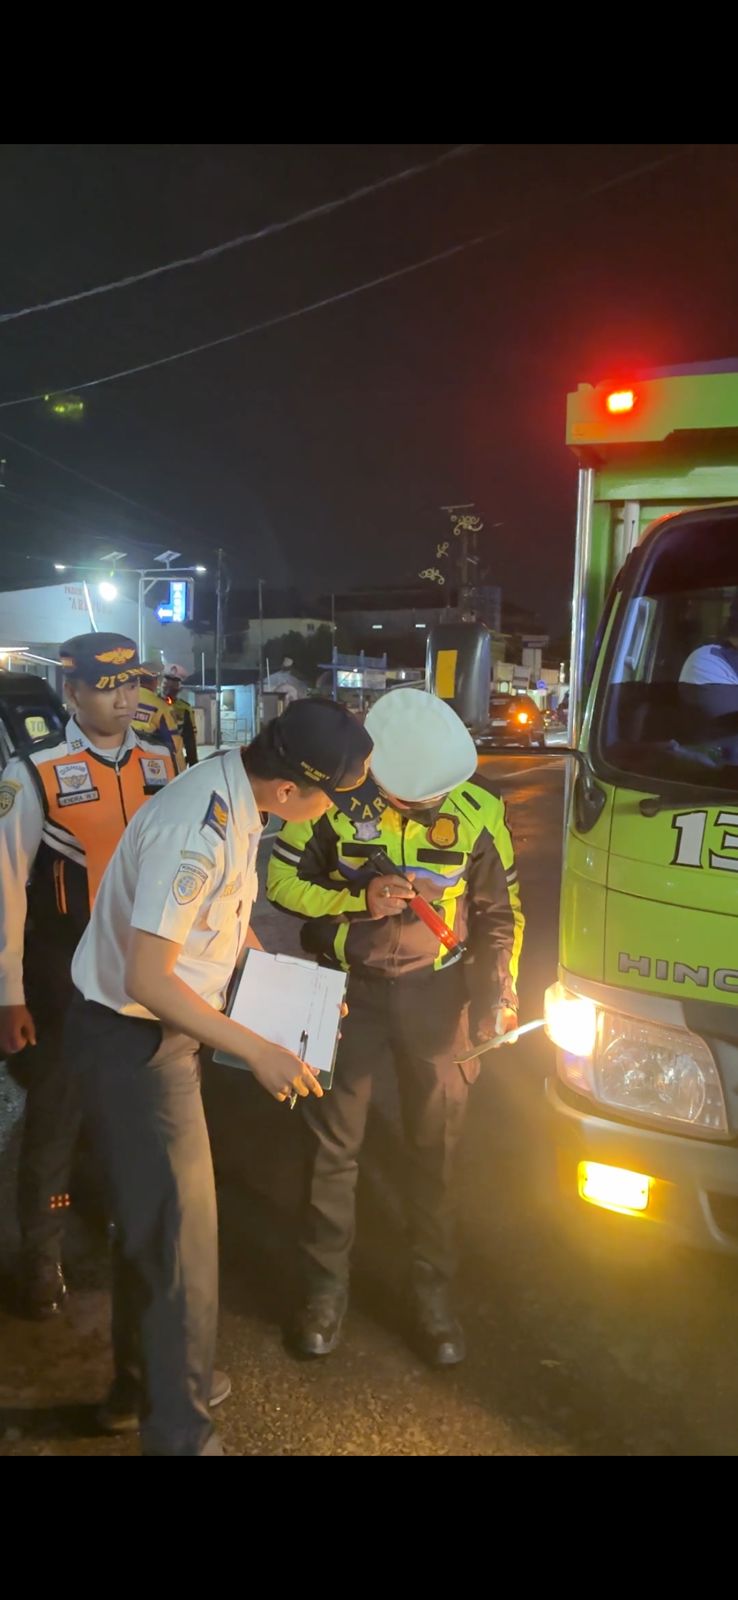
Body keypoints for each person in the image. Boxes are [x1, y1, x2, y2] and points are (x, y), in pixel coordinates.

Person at [64, 698, 373, 1456]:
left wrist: (290, 1000)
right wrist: (260, 1049)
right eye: (332, 797)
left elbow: (220, 938)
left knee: (156, 1231)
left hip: (154, 1036)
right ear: (290, 789)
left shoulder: (237, 800)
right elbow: (148, 978)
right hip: (137, 1044)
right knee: (182, 1247)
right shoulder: (195, 830)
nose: (336, 810)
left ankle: (146, 1385)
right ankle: (182, 1433)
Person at [267, 689, 524, 1368]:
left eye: (436, 796)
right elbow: (281, 883)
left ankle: (431, 1296)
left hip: (438, 998)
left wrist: (497, 993)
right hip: (344, 992)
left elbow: (500, 914)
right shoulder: (331, 801)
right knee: (330, 1149)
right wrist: (359, 899)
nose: (429, 807)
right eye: (414, 799)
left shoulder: (479, 809)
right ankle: (323, 1294)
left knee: (435, 1151)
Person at [0, 634, 177, 1317]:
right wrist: (9, 995)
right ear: (71, 692)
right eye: (107, 688)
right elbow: (7, 894)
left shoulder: (162, 760)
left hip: (144, 971)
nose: (124, 698)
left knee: (129, 1108)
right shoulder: (34, 772)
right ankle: (40, 1259)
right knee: (56, 1117)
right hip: (64, 976)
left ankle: (110, 1221)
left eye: (131, 684)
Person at [132, 660, 180, 767]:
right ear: (155, 681)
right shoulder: (160, 706)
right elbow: (173, 743)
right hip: (148, 762)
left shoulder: (123, 699)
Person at [162, 663, 198, 768]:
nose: (169, 686)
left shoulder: (184, 709)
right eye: (167, 682)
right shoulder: (153, 703)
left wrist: (193, 762)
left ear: (179, 688)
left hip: (176, 760)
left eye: (173, 683)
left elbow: (190, 740)